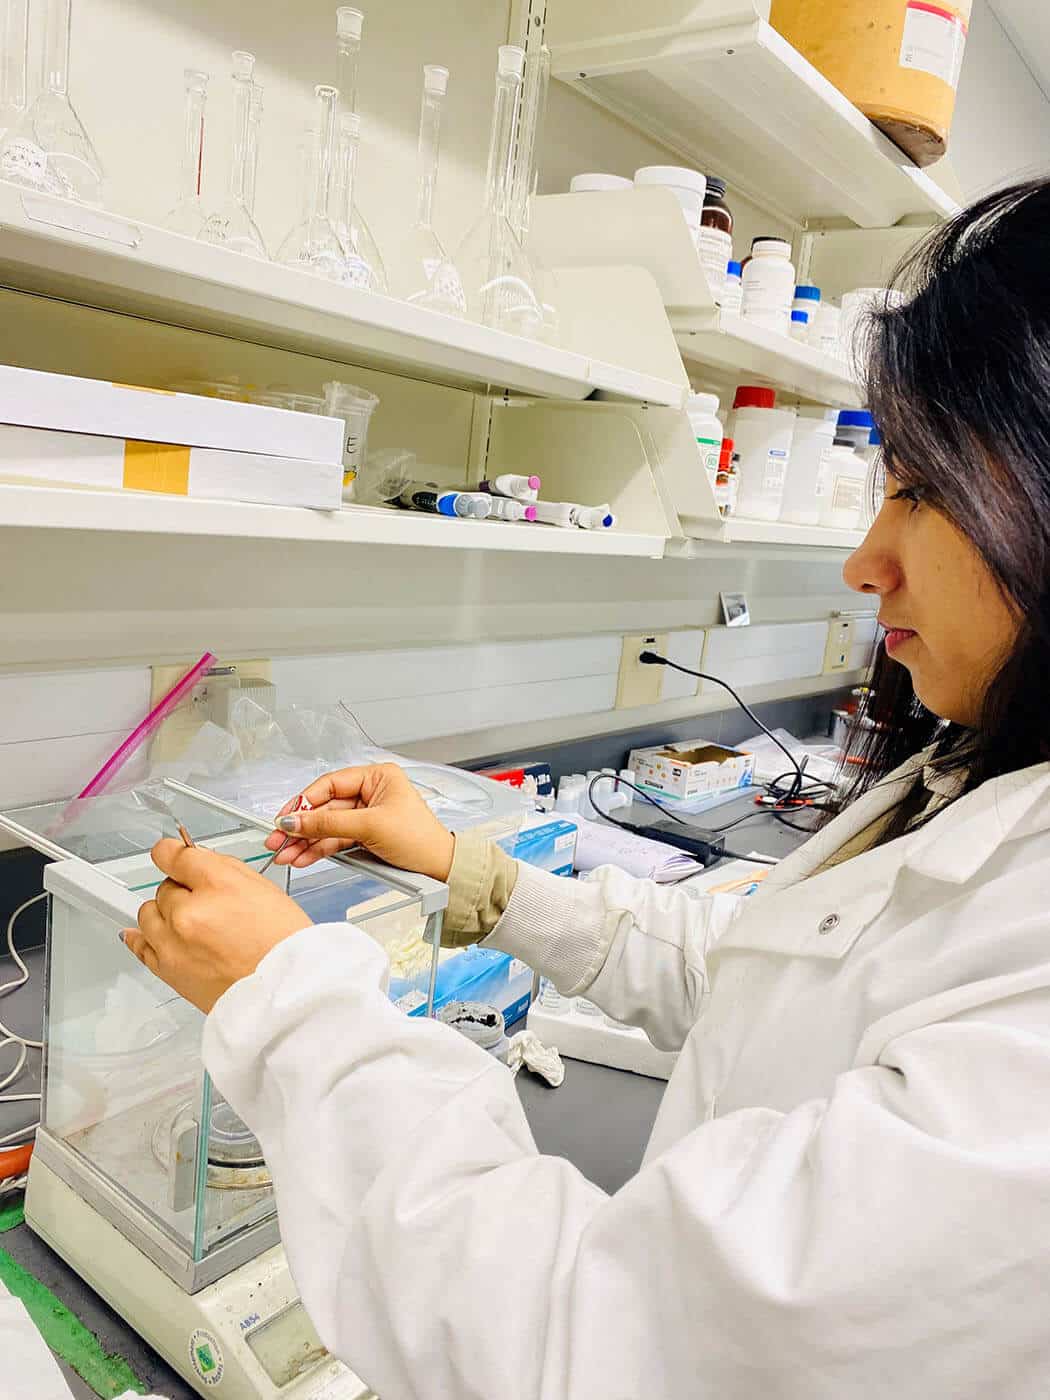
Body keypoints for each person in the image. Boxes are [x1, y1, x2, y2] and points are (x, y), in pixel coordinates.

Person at [125, 181, 1050, 1399]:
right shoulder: (981, 769)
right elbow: (758, 972)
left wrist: (290, 998)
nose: (864, 559)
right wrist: (466, 869)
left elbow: (578, 1336)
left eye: (921, 488)